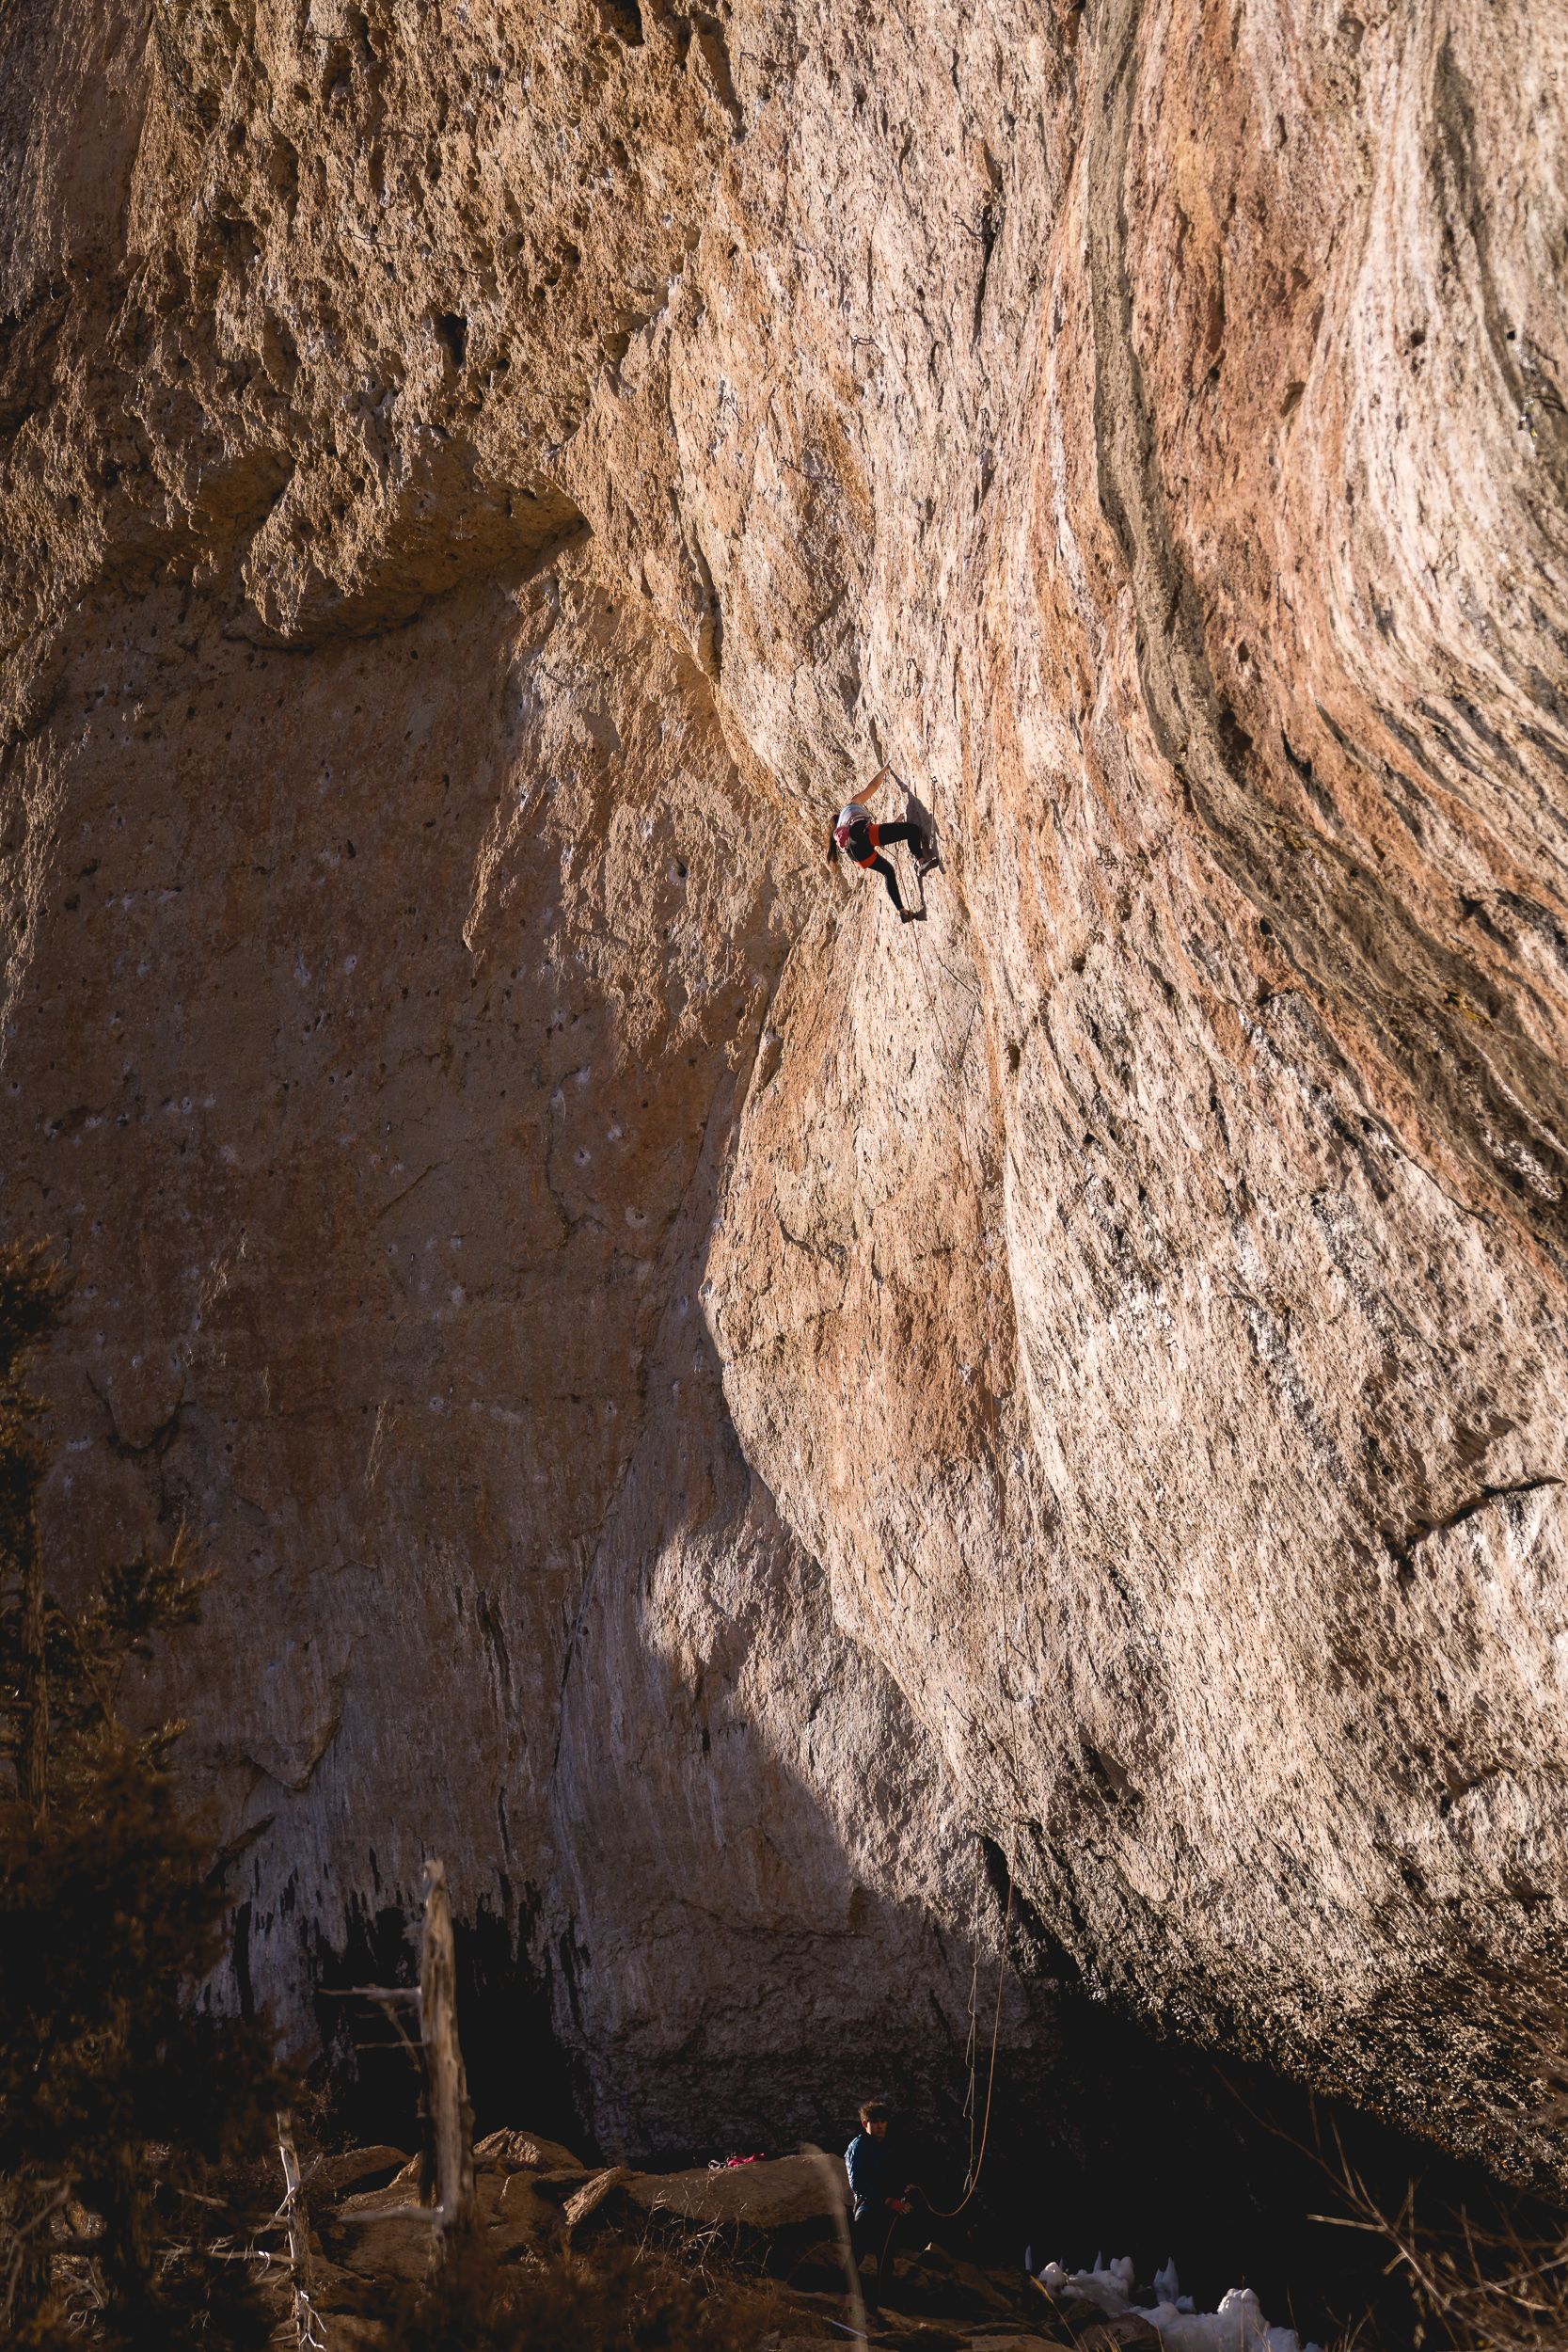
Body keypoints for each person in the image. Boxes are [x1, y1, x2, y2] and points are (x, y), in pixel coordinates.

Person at [827, 764, 937, 922]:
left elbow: (877, 837)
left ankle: (902, 911)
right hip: (862, 836)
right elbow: (872, 786)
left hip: (855, 855)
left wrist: (894, 825)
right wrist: (885, 769)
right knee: (912, 830)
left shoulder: (841, 830)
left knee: (888, 871)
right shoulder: (852, 805)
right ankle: (921, 862)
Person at [845, 2098, 913, 2309]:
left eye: (883, 2121)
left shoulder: (885, 2147)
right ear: (865, 2124)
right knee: (859, 2251)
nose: (880, 2126)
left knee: (886, 2255)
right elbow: (858, 2184)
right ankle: (844, 2295)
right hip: (868, 2206)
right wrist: (888, 2200)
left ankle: (882, 2304)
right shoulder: (860, 2146)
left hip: (885, 2206)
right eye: (874, 2122)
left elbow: (889, 2178)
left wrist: (902, 2190)